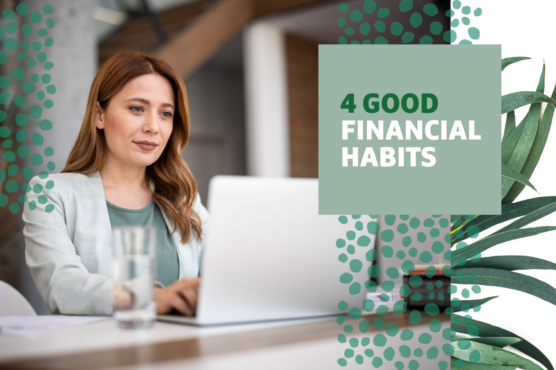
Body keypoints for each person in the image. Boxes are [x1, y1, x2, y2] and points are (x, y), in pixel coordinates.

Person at [22, 50, 208, 316]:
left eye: (165, 114)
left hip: (180, 349)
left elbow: (226, 271)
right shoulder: (51, 194)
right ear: (99, 115)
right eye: (137, 109)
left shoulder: (184, 200)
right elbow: (61, 285)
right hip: (96, 353)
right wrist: (152, 297)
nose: (153, 127)